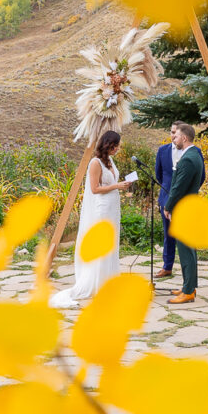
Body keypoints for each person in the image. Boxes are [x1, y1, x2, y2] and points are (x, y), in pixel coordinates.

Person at [50, 130, 132, 308]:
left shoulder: (110, 161)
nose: (117, 149)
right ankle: (96, 282)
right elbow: (94, 189)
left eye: (118, 146)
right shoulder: (95, 163)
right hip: (101, 208)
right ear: (108, 144)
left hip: (112, 207)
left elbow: (109, 184)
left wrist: (122, 185)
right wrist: (117, 185)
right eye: (115, 145)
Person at [154, 121, 206, 279]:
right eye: (171, 132)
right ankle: (167, 266)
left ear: (183, 136)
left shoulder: (194, 152)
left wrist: (187, 191)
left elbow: (200, 175)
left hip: (185, 200)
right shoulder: (163, 150)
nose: (172, 136)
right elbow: (159, 174)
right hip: (167, 197)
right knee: (168, 233)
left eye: (175, 133)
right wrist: (167, 196)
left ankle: (189, 276)